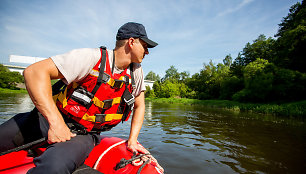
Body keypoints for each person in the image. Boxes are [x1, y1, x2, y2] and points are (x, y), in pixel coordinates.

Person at [0, 22, 162, 173]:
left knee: (53, 168)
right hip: (45, 120)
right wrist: (56, 124)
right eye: (145, 46)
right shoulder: (90, 57)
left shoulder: (136, 71)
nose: (147, 52)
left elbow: (139, 106)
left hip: (83, 134)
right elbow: (34, 72)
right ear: (131, 42)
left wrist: (132, 140)